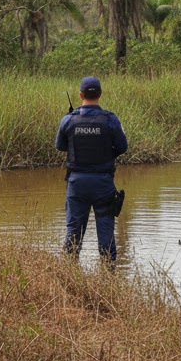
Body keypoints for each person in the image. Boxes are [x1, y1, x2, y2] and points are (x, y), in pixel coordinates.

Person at [55, 75, 128, 263]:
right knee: (106, 234)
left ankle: (69, 276)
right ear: (100, 95)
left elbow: (60, 146)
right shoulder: (110, 119)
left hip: (77, 183)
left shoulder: (68, 120)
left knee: (73, 233)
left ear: (80, 94)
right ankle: (108, 277)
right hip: (103, 183)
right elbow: (122, 147)